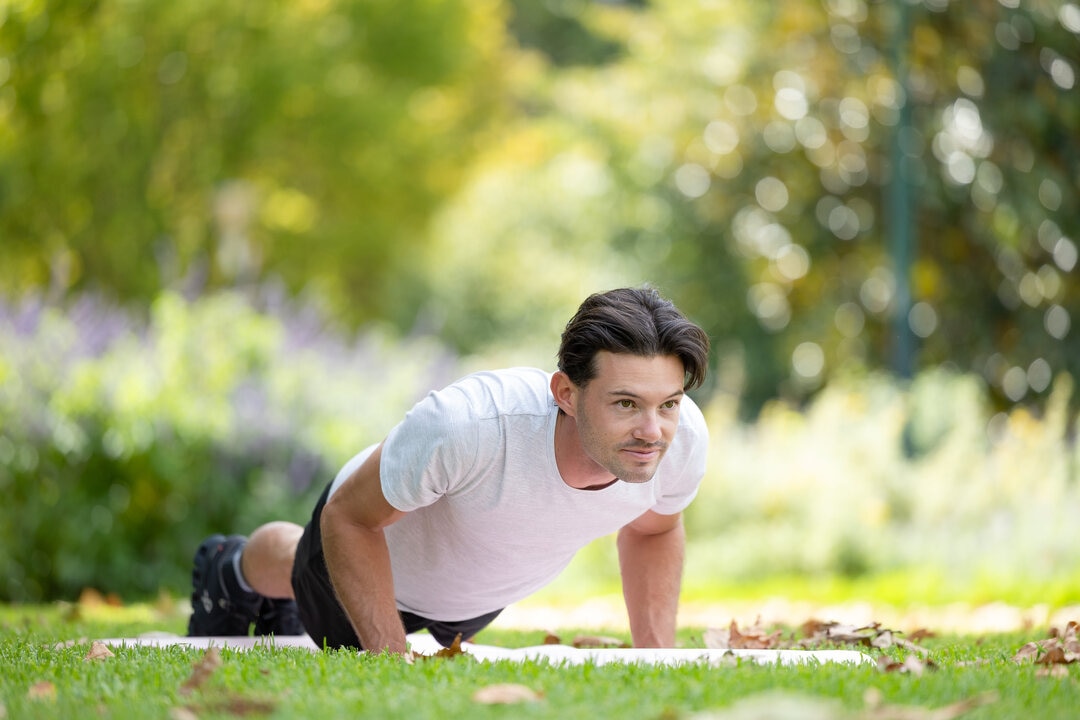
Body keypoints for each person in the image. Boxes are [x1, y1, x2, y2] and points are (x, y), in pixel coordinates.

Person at [186, 286, 711, 653]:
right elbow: (349, 518)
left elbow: (655, 529)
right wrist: (391, 663)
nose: (652, 430)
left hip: (474, 592)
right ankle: (227, 567)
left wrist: (656, 656)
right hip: (364, 550)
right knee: (301, 570)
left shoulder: (680, 437)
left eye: (667, 403)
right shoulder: (471, 424)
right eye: (625, 404)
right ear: (566, 394)